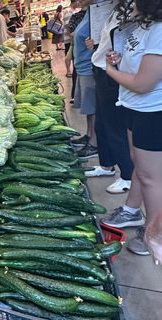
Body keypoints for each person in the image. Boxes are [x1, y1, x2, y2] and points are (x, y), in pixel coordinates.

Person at [104, 0, 162, 257]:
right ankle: (132, 211)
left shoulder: (159, 30)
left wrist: (110, 70)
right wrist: (118, 60)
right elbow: (137, 67)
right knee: (139, 165)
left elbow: (143, 83)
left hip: (153, 112)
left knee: (152, 177)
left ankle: (155, 235)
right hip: (135, 108)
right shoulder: (144, 26)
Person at [83, 1, 134, 195]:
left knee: (114, 126)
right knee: (102, 123)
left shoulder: (131, 9)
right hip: (101, 69)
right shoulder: (113, 8)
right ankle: (106, 165)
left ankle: (128, 175)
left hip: (112, 72)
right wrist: (95, 43)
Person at [70, 0, 99, 159]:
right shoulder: (90, 10)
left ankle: (94, 144)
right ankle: (89, 135)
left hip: (89, 66)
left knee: (92, 106)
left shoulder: (100, 8)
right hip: (82, 66)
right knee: (88, 108)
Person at [63, 0, 79, 77]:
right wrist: (71, 37)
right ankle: (68, 70)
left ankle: (74, 69)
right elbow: (67, 26)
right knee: (68, 55)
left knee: (73, 55)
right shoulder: (67, 11)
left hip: (74, 38)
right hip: (69, 39)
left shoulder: (76, 10)